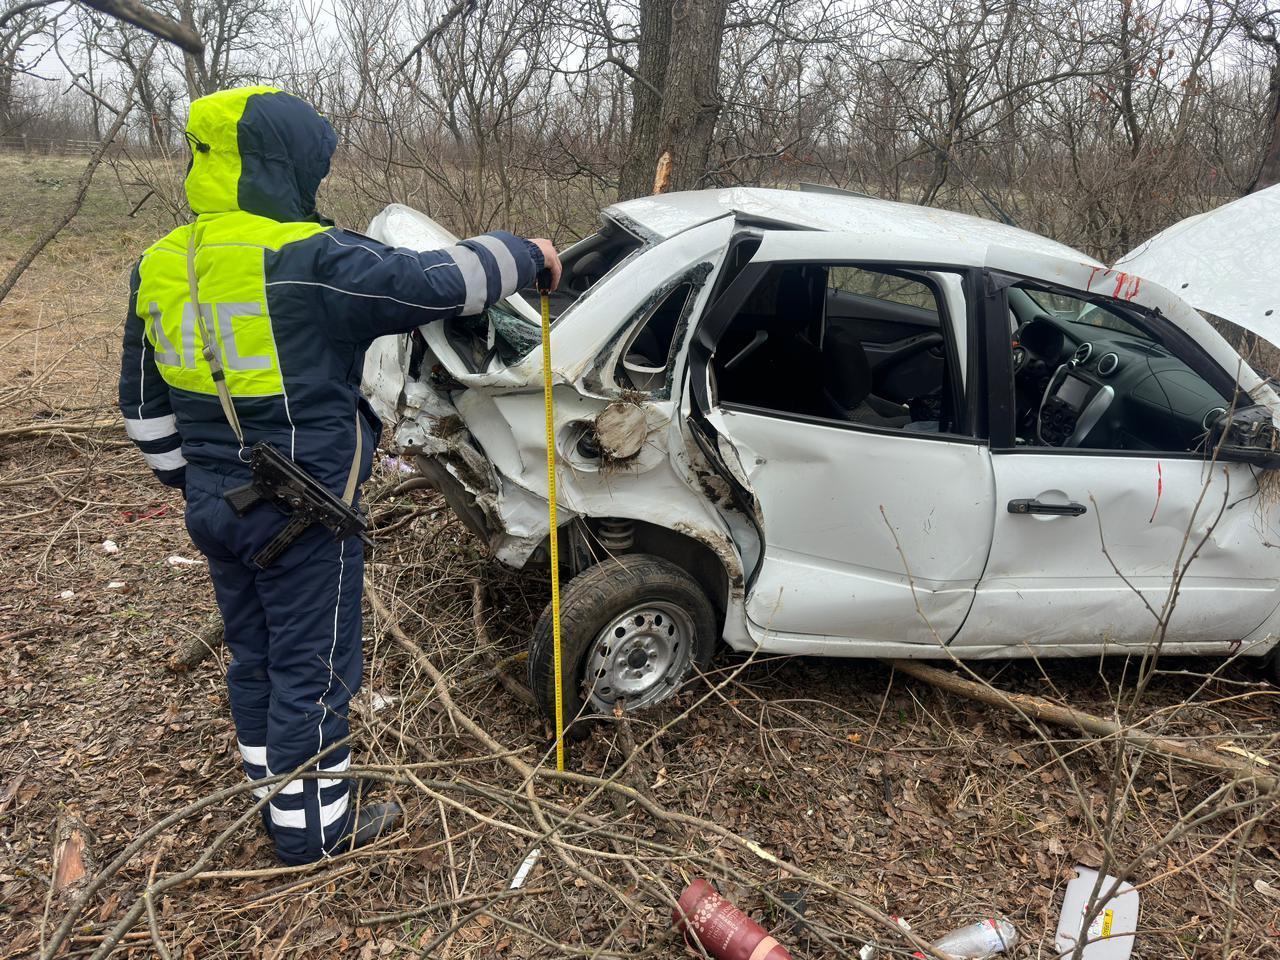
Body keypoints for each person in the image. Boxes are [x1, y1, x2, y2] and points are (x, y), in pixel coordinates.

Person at [117, 85, 561, 865]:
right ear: (281, 165)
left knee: (255, 654)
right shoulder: (307, 261)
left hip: (216, 507)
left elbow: (144, 410)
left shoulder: (160, 262)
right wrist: (527, 254)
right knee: (314, 667)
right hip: (301, 514)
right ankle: (314, 829)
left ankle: (272, 795)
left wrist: (192, 488)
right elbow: (438, 281)